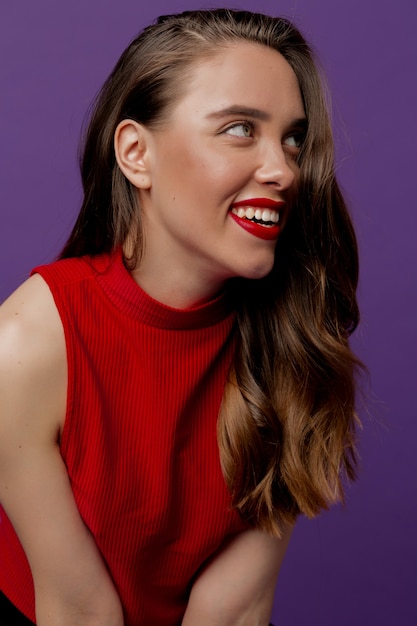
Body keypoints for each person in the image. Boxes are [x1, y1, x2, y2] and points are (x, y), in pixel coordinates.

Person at [0, 8, 362, 626]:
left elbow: (235, 609)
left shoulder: (297, 340)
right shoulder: (25, 347)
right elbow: (79, 609)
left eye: (293, 138)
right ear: (137, 154)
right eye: (241, 129)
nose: (282, 170)